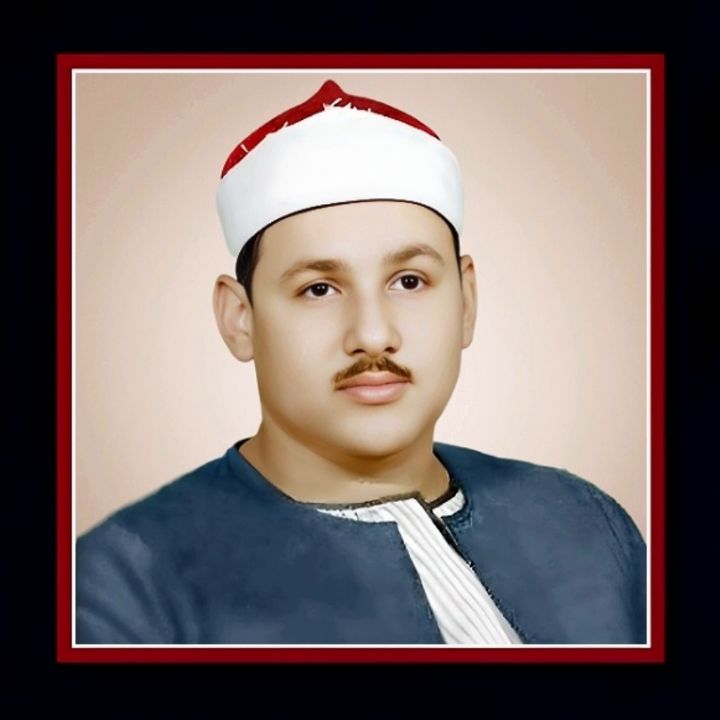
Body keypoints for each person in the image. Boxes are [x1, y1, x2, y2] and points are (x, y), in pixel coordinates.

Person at [76, 80, 647, 645]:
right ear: (239, 318)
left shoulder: (584, 521)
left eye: (409, 281)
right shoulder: (124, 585)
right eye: (319, 289)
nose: (373, 335)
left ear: (466, 302)